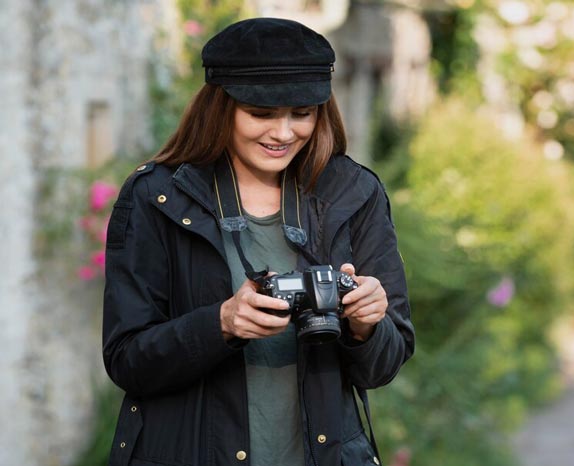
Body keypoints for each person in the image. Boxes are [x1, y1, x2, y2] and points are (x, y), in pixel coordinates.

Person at [102, 17, 414, 466]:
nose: (283, 133)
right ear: (219, 108)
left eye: (302, 113)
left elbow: (385, 364)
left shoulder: (353, 193)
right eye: (261, 113)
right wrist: (222, 324)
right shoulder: (157, 197)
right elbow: (126, 359)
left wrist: (366, 324)